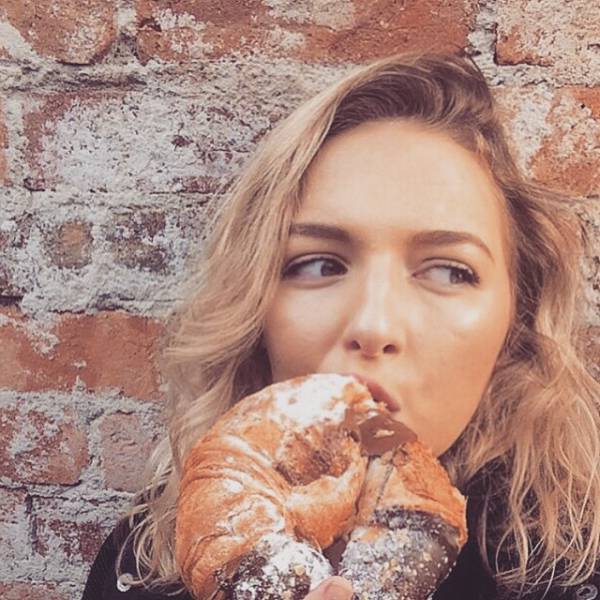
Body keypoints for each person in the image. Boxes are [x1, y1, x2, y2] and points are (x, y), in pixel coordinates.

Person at [82, 52, 600, 600]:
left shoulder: (572, 575)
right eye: (319, 264)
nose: (374, 326)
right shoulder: (138, 571)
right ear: (255, 305)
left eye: (449, 271)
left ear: (515, 320)